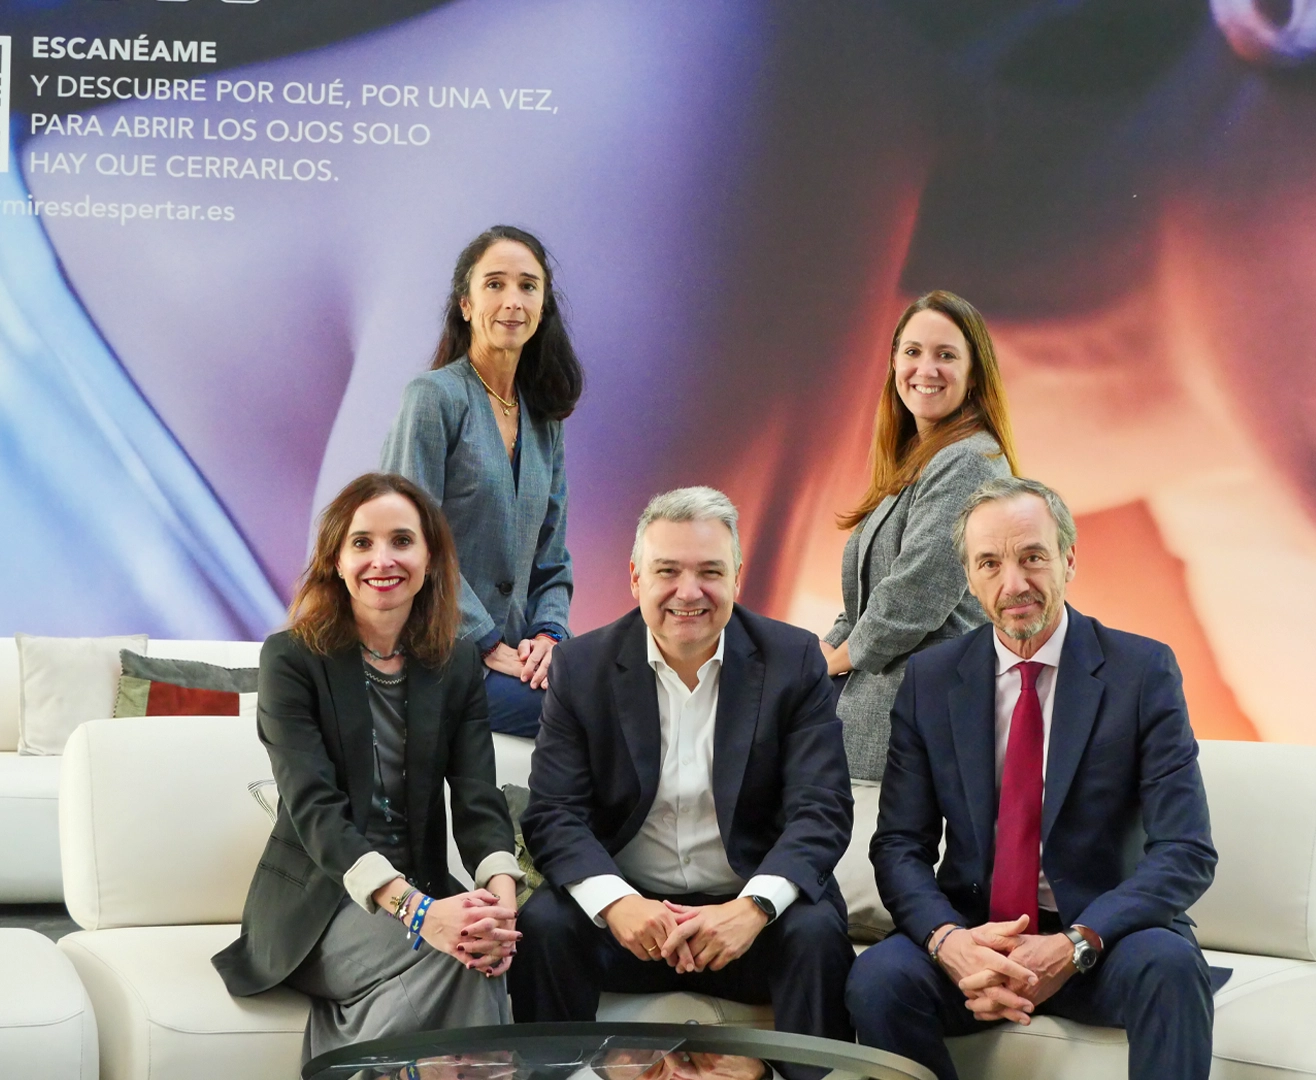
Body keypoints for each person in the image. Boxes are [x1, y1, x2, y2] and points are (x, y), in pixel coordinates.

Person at [847, 475, 1218, 1080]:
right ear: (969, 577)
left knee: (1171, 968)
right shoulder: (931, 680)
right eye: (989, 563)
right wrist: (949, 941)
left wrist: (1075, 943)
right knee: (877, 979)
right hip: (977, 937)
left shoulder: (1141, 671)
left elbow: (1186, 851)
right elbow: (898, 845)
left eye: (1032, 557)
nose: (1013, 583)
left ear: (1069, 559)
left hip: (1104, 940)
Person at [510, 486, 855, 1049]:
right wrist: (617, 902)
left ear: (738, 577)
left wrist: (753, 908)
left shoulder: (793, 661)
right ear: (635, 577)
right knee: (545, 925)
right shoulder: (581, 666)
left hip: (749, 916)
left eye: (710, 572)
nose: (688, 592)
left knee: (815, 932)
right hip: (627, 917)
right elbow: (553, 814)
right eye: (667, 570)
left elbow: (822, 809)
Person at [212, 472, 525, 1060]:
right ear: (335, 558)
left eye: (402, 541)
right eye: (361, 542)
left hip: (427, 890)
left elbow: (480, 799)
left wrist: (501, 898)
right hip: (320, 907)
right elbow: (315, 810)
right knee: (463, 960)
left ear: (430, 558)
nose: (382, 559)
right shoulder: (292, 658)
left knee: (484, 947)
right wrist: (420, 912)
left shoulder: (455, 663)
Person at [381, 225, 584, 738]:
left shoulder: (544, 421)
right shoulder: (432, 398)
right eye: (494, 284)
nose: (512, 300)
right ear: (466, 305)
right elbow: (407, 544)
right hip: (438, 652)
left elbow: (552, 558)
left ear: (543, 308)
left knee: (619, 691)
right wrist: (487, 641)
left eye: (527, 285)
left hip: (521, 653)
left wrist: (549, 634)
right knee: (588, 715)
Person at [822, 291, 1019, 780]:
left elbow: (916, 594)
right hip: (875, 722)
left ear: (974, 373)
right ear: (893, 364)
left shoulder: (969, 460)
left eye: (946, 355)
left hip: (918, 728)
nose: (925, 369)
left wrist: (834, 662)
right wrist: (815, 658)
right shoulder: (916, 461)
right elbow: (865, 601)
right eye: (912, 352)